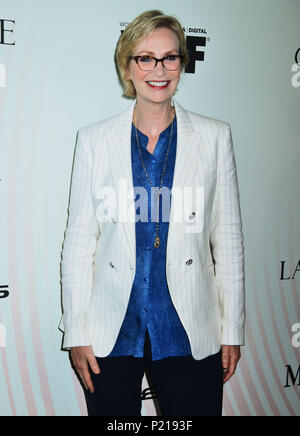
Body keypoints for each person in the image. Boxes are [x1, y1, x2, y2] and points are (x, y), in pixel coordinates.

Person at [59, 10, 245, 417]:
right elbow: (78, 244)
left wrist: (232, 329)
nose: (158, 69)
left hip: (188, 330)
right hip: (111, 331)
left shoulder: (215, 137)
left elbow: (228, 241)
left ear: (182, 63)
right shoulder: (93, 141)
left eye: (169, 58)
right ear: (127, 67)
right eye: (145, 58)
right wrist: (76, 332)